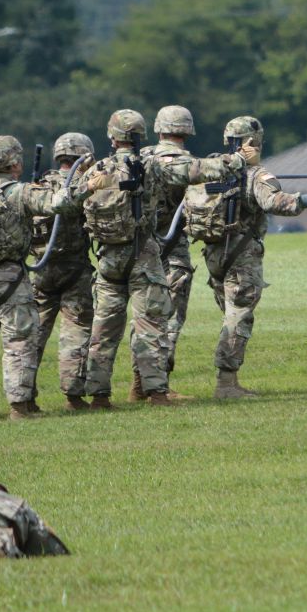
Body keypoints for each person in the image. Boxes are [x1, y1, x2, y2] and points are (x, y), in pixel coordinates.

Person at [69, 109, 255, 407]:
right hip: (143, 254)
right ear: (140, 135)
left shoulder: (98, 168)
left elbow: (71, 199)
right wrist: (238, 160)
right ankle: (156, 392)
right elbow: (195, 171)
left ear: (112, 137)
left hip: (107, 256)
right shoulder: (152, 165)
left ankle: (99, 396)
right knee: (151, 324)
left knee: (103, 329)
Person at [186, 116, 307, 399]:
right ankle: (226, 385)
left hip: (214, 254)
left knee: (230, 317)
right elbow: (275, 202)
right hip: (241, 258)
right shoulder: (256, 175)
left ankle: (229, 382)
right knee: (238, 319)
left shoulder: (211, 168)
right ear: (253, 142)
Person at [0, 135, 84, 421]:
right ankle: (19, 407)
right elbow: (58, 203)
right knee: (19, 341)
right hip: (12, 278)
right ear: (15, 163)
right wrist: (88, 186)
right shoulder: (21, 192)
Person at [127, 105, 200, 402]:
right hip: (172, 249)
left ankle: (138, 383)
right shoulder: (190, 163)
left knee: (143, 317)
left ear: (159, 130)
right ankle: (160, 386)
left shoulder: (140, 158)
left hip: (137, 246)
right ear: (187, 131)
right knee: (168, 318)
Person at [28, 132, 96, 412]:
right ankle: (73, 397)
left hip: (41, 270)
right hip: (75, 270)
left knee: (33, 335)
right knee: (76, 332)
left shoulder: (39, 186)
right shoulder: (85, 185)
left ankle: (24, 398)